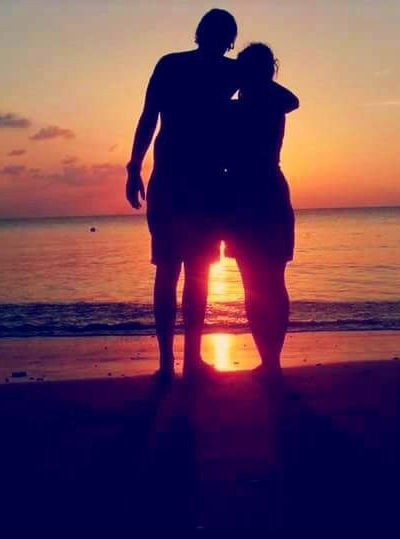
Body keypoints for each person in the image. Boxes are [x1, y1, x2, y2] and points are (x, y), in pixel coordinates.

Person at [126, 9, 239, 382]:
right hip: (187, 181)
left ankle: (180, 361)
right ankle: (175, 360)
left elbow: (147, 117)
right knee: (180, 270)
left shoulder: (213, 69)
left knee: (185, 271)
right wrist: (133, 167)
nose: (217, 40)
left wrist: (134, 168)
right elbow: (148, 117)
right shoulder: (209, 70)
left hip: (196, 181)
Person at [225, 43, 299, 380]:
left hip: (252, 192)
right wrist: (256, 77)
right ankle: (270, 361)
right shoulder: (270, 102)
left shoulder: (245, 108)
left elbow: (293, 99)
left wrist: (246, 78)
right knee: (263, 282)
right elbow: (291, 98)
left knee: (260, 282)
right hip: (257, 192)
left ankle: (270, 360)